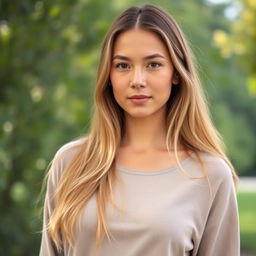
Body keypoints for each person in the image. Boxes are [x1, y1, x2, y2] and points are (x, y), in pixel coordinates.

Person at [39, 4, 240, 256]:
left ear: (176, 73)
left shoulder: (210, 174)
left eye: (153, 65)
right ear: (108, 75)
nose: (137, 80)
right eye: (123, 66)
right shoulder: (71, 162)